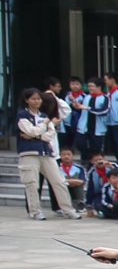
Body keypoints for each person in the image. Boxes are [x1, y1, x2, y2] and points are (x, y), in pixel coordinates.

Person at [16, 87, 79, 221]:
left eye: (38, 98)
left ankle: (68, 209)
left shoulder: (44, 116)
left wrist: (37, 134)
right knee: (32, 183)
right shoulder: (22, 115)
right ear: (27, 100)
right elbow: (31, 130)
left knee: (59, 181)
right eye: (33, 99)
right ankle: (35, 211)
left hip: (46, 152)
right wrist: (41, 128)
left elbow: (49, 134)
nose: (37, 101)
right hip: (29, 153)